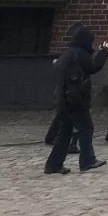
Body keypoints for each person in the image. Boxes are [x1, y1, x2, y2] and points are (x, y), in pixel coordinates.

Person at [44, 26, 108, 174]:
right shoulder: (79, 54)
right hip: (75, 99)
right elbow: (93, 67)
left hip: (63, 99)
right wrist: (104, 52)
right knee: (86, 128)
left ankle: (53, 165)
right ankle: (87, 160)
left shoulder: (66, 54)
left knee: (64, 133)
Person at [44, 22, 84, 155]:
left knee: (62, 116)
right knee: (72, 118)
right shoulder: (73, 55)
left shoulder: (70, 54)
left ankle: (52, 137)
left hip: (65, 91)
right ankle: (70, 144)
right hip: (69, 91)